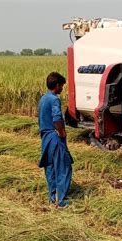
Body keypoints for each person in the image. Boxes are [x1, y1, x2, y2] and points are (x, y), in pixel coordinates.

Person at [38, 72, 73, 209]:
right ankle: (61, 201)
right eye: (62, 86)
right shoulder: (54, 99)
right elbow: (57, 118)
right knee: (63, 167)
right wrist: (62, 132)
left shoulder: (43, 98)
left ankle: (52, 197)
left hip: (45, 137)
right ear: (57, 85)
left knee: (50, 167)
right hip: (55, 137)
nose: (62, 89)